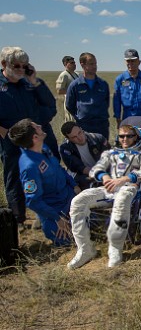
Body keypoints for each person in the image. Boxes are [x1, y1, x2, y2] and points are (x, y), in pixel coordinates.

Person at [67, 125, 141, 269]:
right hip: (109, 188)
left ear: (136, 137)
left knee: (122, 198)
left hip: (131, 189)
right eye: (122, 136)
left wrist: (125, 179)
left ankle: (115, 249)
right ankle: (85, 249)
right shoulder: (112, 153)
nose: (125, 139)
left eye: (129, 136)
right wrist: (105, 176)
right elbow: (96, 169)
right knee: (78, 201)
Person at [1, 46, 58, 224]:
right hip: (12, 139)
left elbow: (50, 104)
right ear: (4, 64)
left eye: (25, 66)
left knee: (48, 171)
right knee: (15, 176)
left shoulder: (31, 83)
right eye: (17, 66)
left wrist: (33, 81)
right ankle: (17, 218)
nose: (21, 70)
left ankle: (49, 211)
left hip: (38, 137)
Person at [8, 119, 78, 246]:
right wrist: (57, 218)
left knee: (100, 223)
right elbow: (33, 201)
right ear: (35, 137)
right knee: (74, 239)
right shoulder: (29, 167)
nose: (40, 126)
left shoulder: (44, 148)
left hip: (70, 198)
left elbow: (59, 169)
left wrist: (74, 185)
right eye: (37, 127)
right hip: (55, 211)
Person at [66, 52, 111, 140]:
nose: (94, 66)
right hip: (84, 126)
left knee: (103, 152)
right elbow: (69, 105)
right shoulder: (75, 85)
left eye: (95, 64)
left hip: (101, 125)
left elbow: (107, 102)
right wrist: (80, 116)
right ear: (82, 65)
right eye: (91, 64)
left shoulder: (103, 84)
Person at [59, 121, 111, 190]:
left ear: (81, 129)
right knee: (86, 183)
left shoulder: (98, 138)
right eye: (74, 137)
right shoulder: (65, 148)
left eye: (79, 133)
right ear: (68, 139)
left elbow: (110, 158)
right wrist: (100, 175)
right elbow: (80, 168)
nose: (80, 138)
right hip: (83, 173)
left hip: (103, 168)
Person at [113, 49, 141, 125]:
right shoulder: (120, 80)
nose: (130, 63)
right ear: (125, 62)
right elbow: (116, 101)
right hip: (127, 117)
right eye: (128, 61)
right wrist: (118, 118)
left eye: (133, 61)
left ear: (139, 62)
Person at [56, 55, 78, 122]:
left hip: (78, 103)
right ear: (66, 64)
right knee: (71, 122)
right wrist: (72, 90)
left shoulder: (77, 74)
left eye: (74, 62)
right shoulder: (64, 75)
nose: (74, 64)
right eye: (72, 63)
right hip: (70, 102)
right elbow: (59, 91)